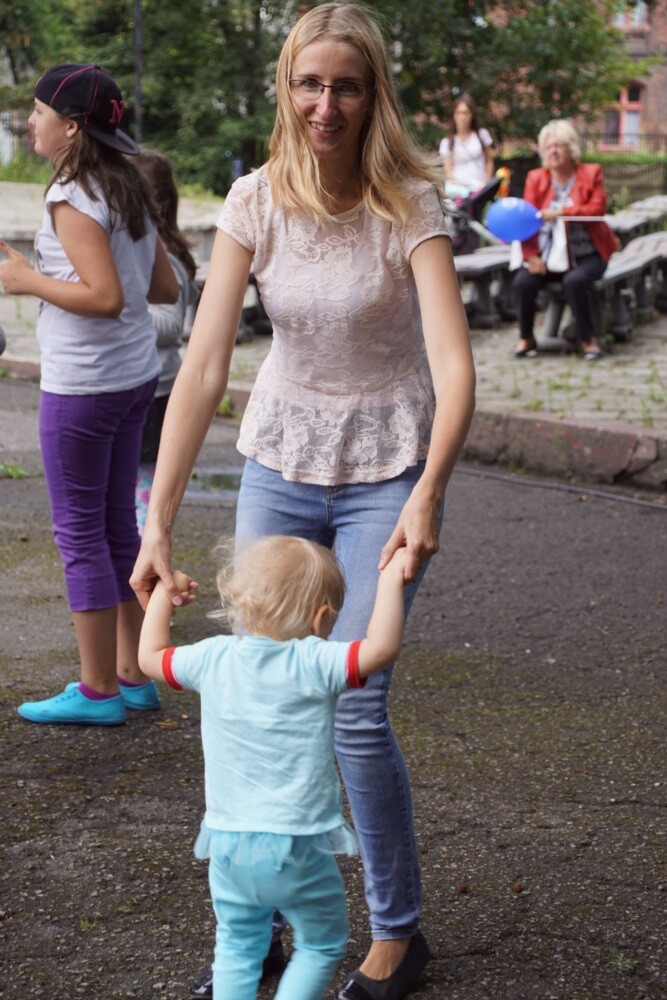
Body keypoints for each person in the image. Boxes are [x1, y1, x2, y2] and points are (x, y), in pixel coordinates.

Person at [131, 4, 476, 999]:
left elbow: (454, 369)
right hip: (281, 455)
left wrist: (430, 491)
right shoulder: (253, 200)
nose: (326, 105)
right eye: (308, 84)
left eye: (347, 85)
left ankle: (398, 930)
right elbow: (200, 371)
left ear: (374, 95)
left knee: (354, 704)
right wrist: (158, 515)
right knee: (262, 683)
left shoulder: (408, 202)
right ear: (285, 88)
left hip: (386, 464)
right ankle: (277, 922)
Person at [139, 535, 414, 1000]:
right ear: (322, 618)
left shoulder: (211, 657)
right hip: (297, 847)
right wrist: (390, 579)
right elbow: (381, 648)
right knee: (322, 942)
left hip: (225, 845)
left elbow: (150, 659)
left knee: (236, 946)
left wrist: (166, 598)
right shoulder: (316, 661)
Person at [0, 63, 178, 725]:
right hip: (133, 379)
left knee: (79, 534)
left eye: (39, 112)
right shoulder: (128, 185)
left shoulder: (72, 196)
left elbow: (104, 298)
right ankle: (133, 675)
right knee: (114, 527)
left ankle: (96, 688)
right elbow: (160, 288)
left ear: (72, 128)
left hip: (83, 386)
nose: (30, 122)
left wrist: (26, 280)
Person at [512, 119, 618, 360]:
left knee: (575, 281)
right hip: (549, 255)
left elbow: (597, 209)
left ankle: (588, 340)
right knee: (523, 281)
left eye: (559, 146)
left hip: (587, 255)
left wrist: (562, 212)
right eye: (548, 147)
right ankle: (526, 338)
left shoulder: (591, 174)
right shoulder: (536, 178)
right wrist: (531, 256)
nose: (553, 151)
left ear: (571, 149)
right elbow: (527, 221)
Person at [134, 150, 199, 535]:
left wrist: (119, 307)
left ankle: (145, 557)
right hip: (144, 390)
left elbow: (170, 325)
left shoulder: (166, 259)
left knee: (145, 491)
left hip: (157, 395)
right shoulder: (147, 252)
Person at [440, 94, 494, 195]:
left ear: (472, 114)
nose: (462, 117)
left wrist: (487, 182)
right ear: (454, 115)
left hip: (480, 191)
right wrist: (465, 186)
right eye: (459, 113)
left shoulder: (481, 135)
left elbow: (489, 160)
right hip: (459, 193)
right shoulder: (447, 142)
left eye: (466, 113)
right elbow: (448, 172)